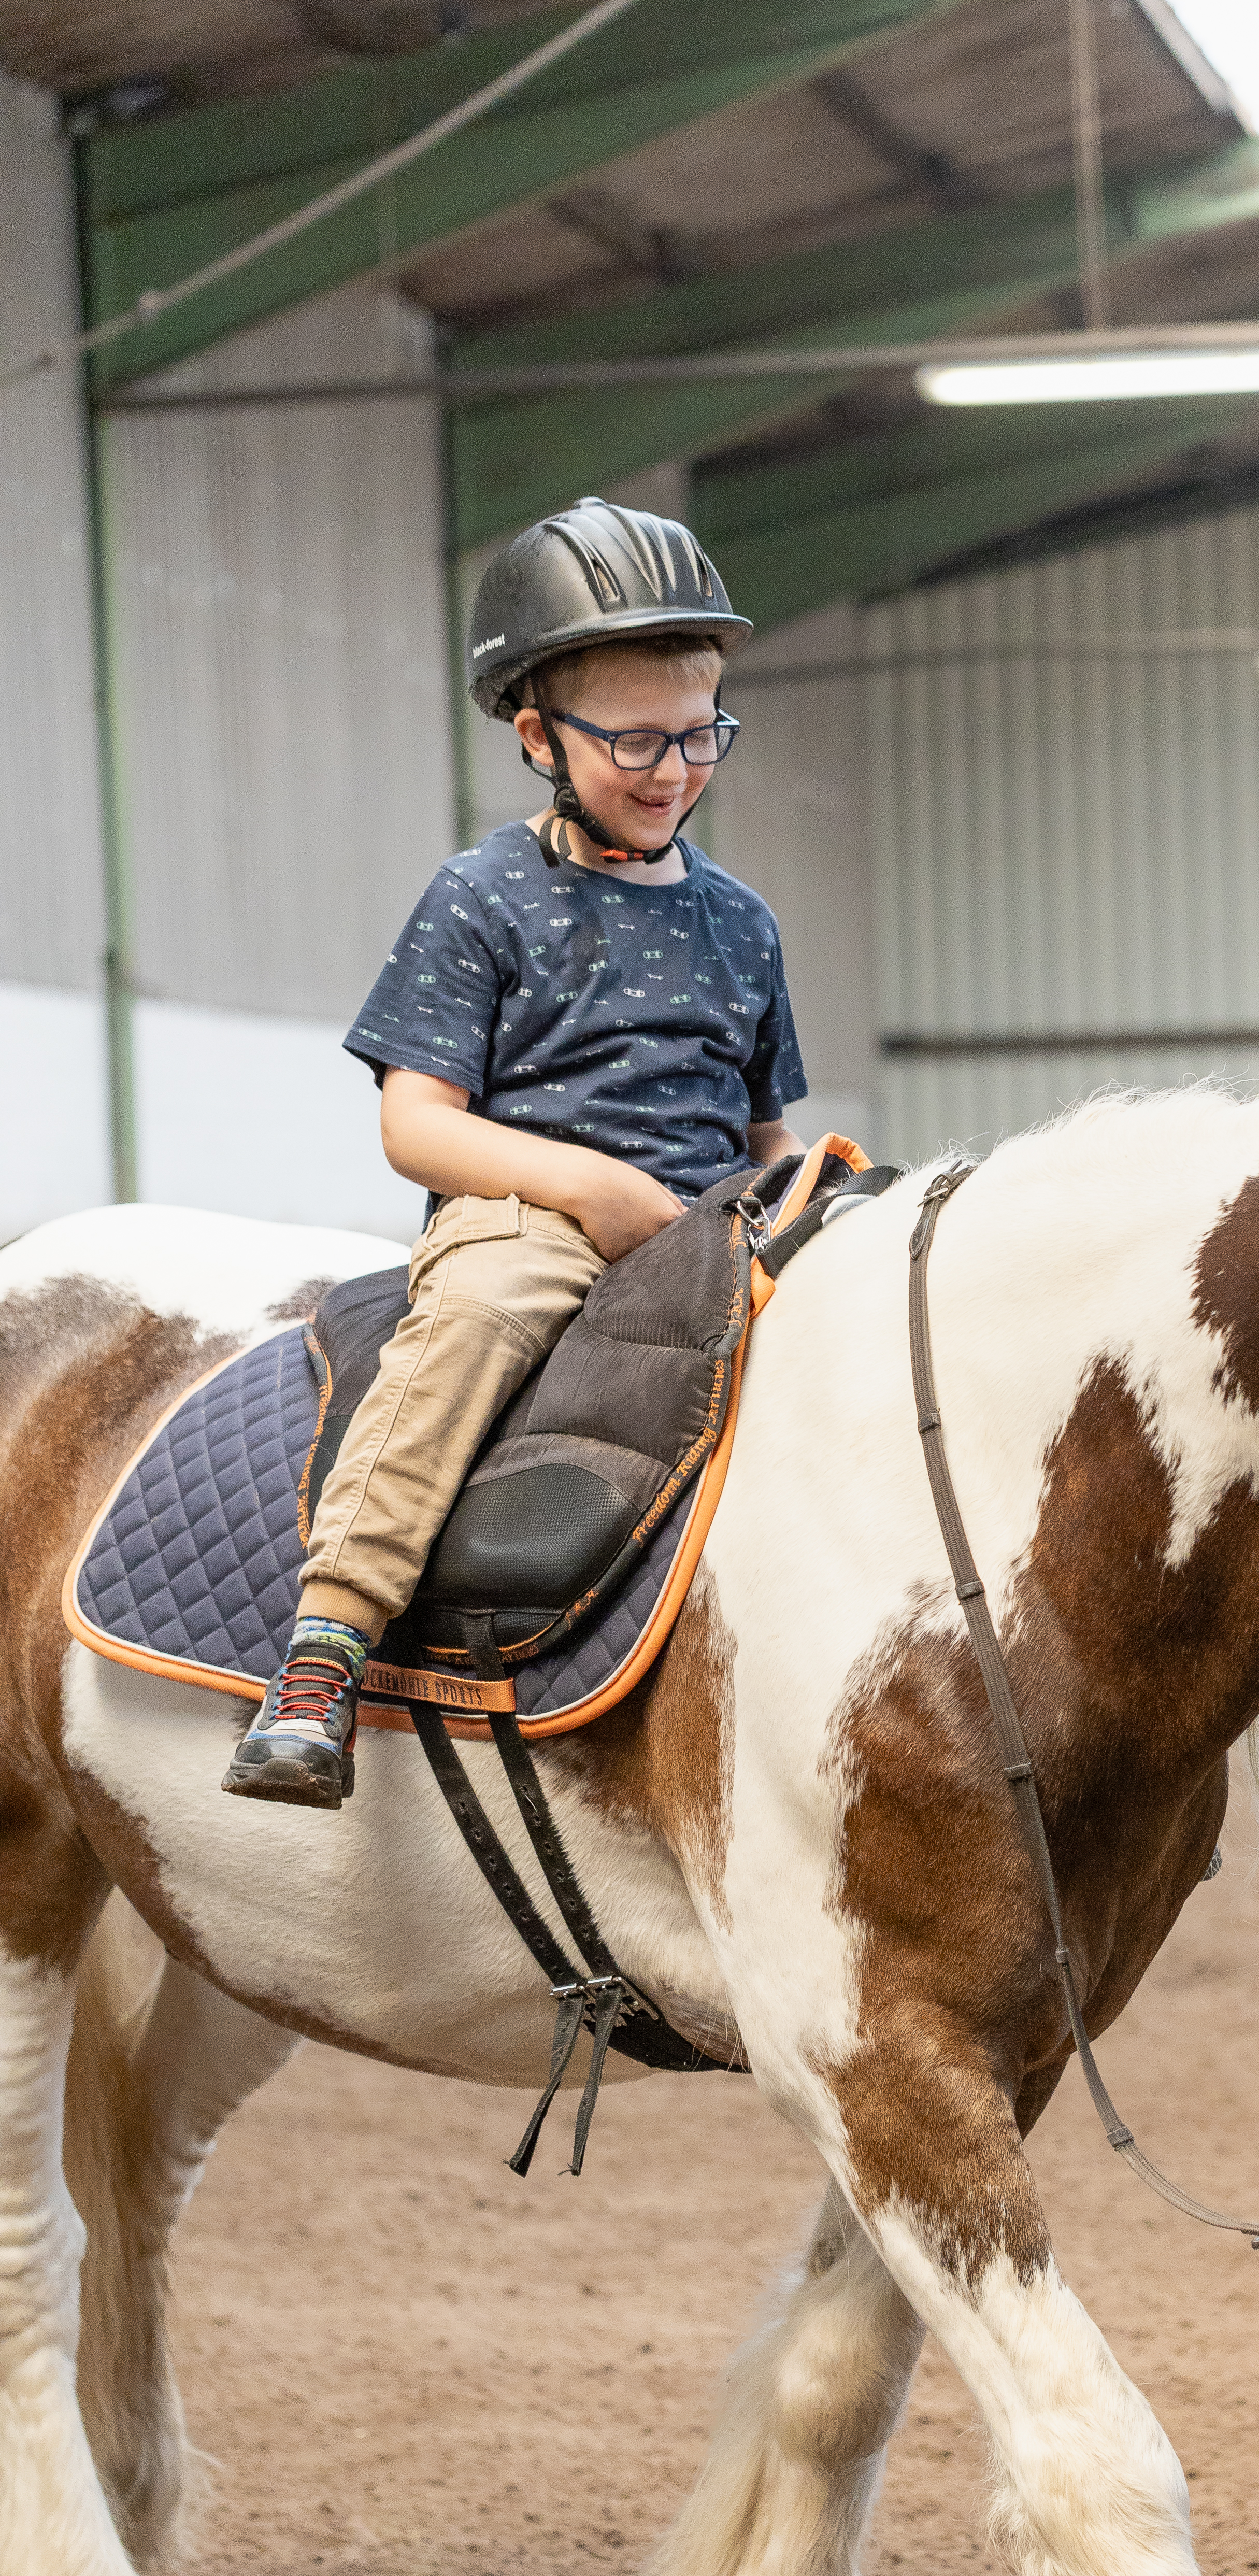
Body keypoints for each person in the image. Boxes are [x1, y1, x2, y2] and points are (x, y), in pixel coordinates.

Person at [225, 496, 803, 1809]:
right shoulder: (483, 897)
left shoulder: (743, 922)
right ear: (540, 736)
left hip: (716, 1213)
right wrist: (587, 1186)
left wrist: (824, 1183)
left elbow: (767, 1123)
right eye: (635, 742)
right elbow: (413, 1124)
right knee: (474, 1320)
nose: (672, 770)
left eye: (700, 732)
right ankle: (327, 1645)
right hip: (529, 1208)